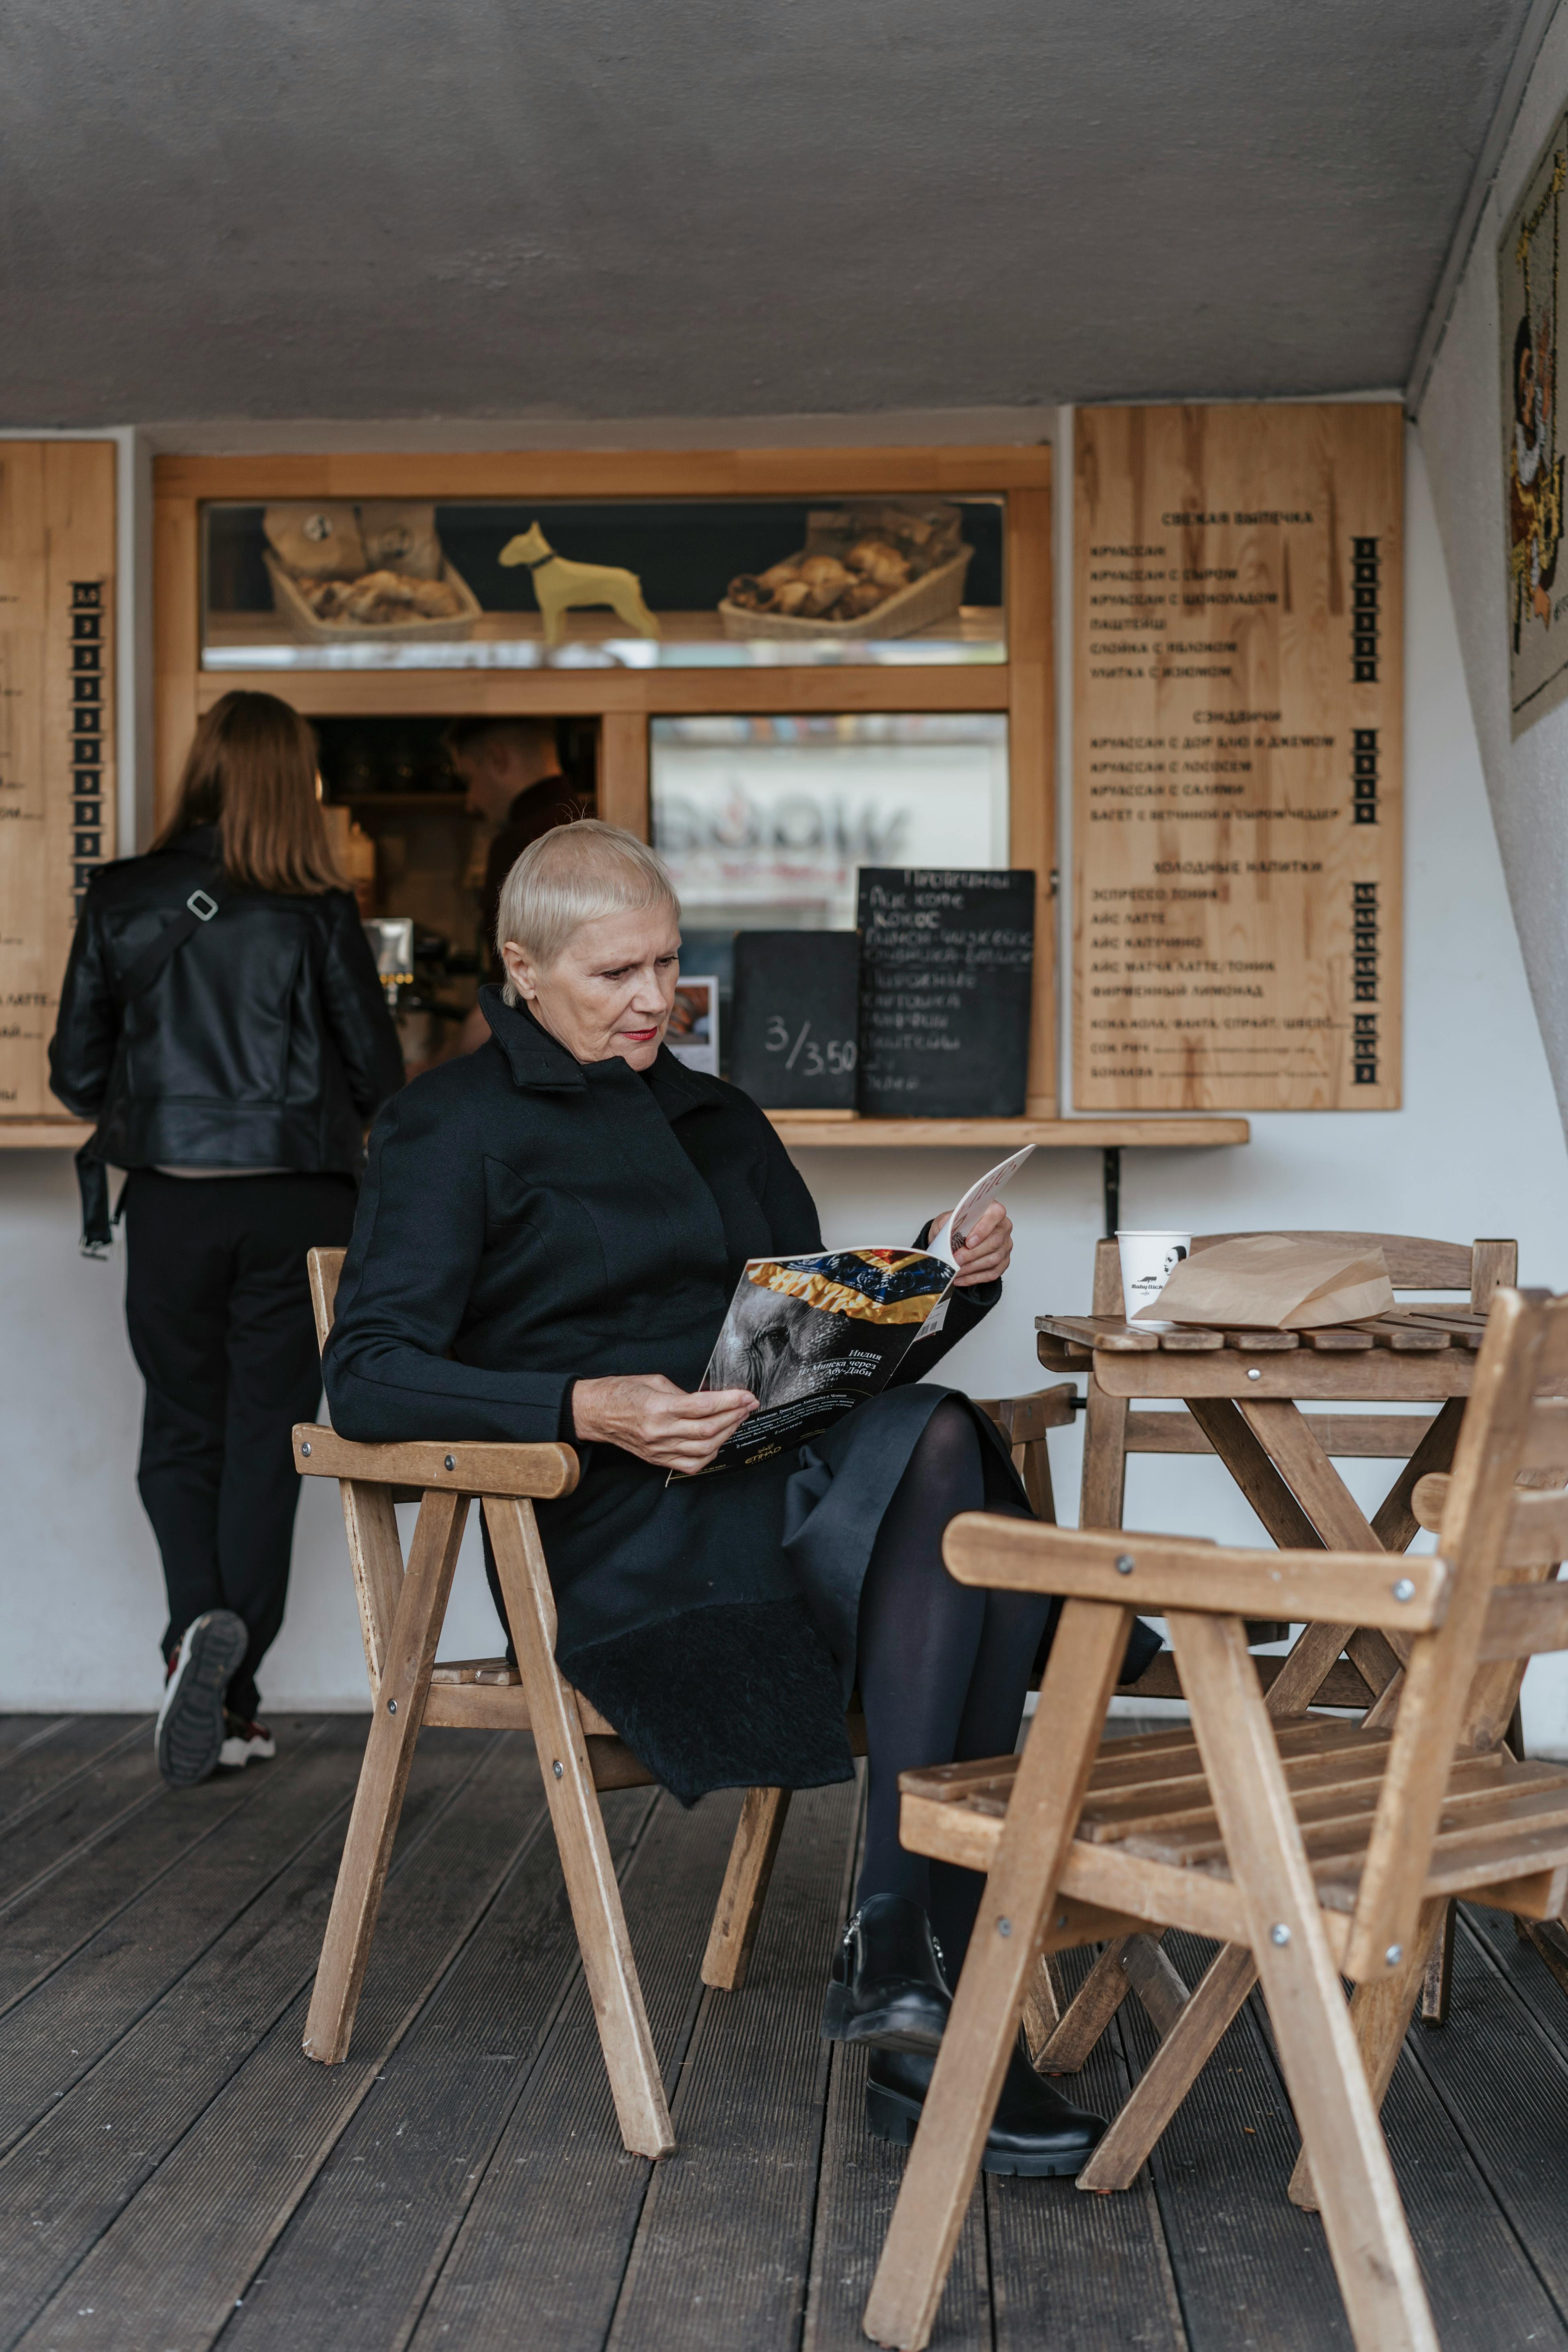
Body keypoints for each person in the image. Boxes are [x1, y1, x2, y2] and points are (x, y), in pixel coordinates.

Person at [324, 819, 1146, 2175]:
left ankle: (900, 1961)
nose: (654, 1000)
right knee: (964, 1519)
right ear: (522, 971)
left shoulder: (719, 1116)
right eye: (613, 975)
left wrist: (945, 1280)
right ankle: (918, 1998)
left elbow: (811, 1348)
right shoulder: (445, 1125)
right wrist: (585, 1404)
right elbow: (365, 1375)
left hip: (777, 1485)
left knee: (936, 1438)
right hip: (612, 1531)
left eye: (667, 965)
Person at [49, 690, 405, 1789]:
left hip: (170, 1202)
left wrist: (157, 1098)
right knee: (266, 1437)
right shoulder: (316, 908)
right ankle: (231, 1697)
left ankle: (188, 1643)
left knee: (181, 1428)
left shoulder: (121, 898)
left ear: (203, 766)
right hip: (298, 1204)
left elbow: (73, 1075)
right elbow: (380, 1080)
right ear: (291, 779)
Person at [444, 716, 590, 1054]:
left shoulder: (519, 846)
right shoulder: (594, 825)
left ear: (498, 759)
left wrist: (436, 1069)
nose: (471, 802)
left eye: (469, 779)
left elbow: (507, 994)